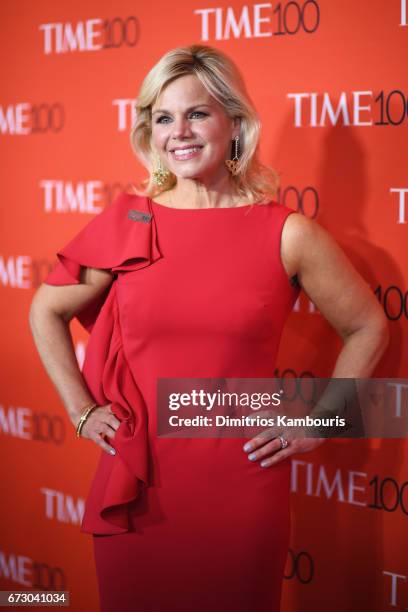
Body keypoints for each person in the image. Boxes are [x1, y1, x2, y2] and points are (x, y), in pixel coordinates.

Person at [29, 44, 389, 612]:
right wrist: (80, 410)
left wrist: (325, 421)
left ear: (235, 122)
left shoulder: (287, 233)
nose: (180, 132)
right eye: (163, 117)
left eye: (197, 113)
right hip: (139, 479)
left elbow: (368, 326)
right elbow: (44, 310)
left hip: (239, 485)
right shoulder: (128, 221)